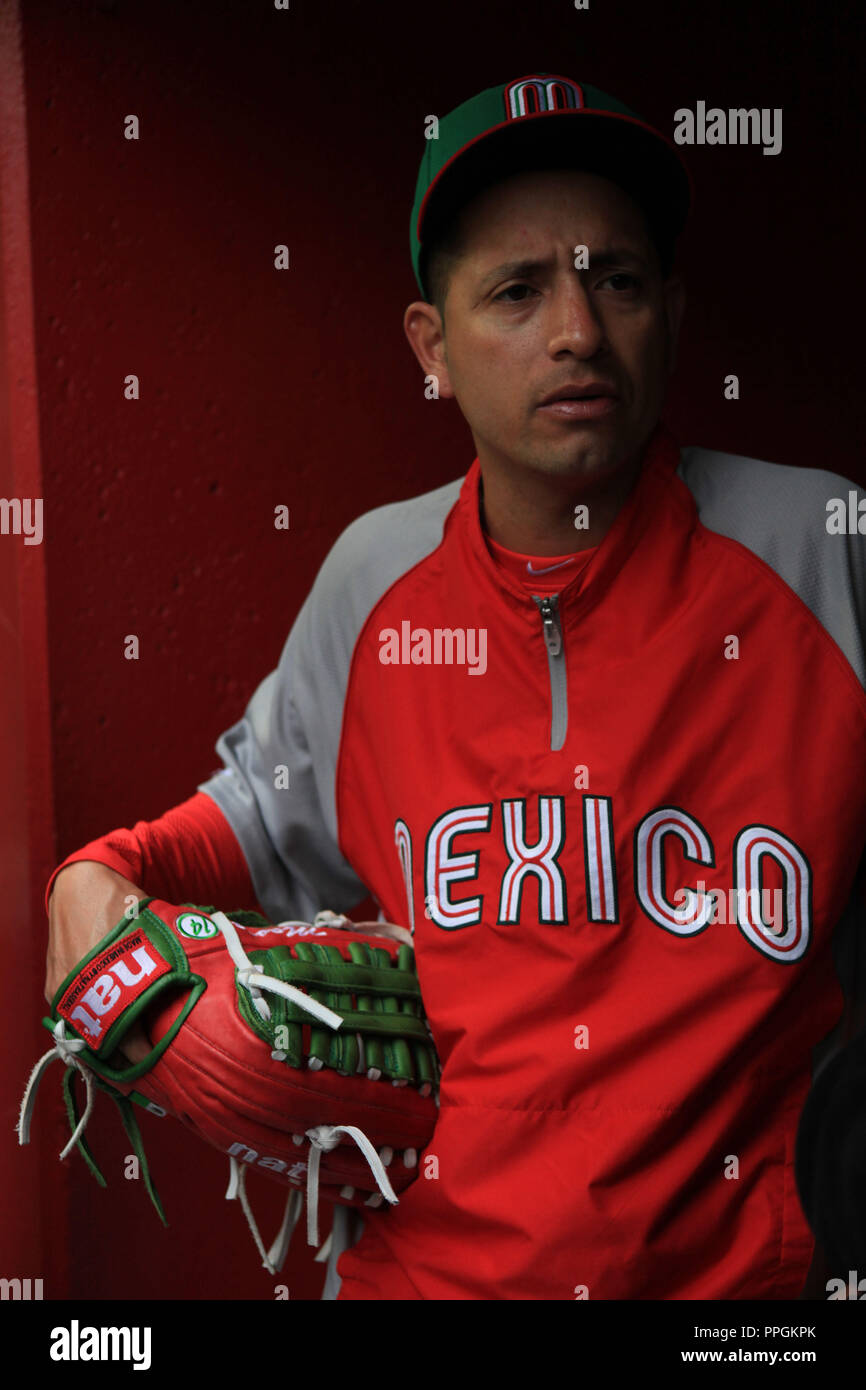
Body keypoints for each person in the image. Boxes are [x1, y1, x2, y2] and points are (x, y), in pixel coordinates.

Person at [45, 72, 866, 1300]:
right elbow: (195, 844)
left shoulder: (821, 548)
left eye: (617, 280)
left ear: (672, 314)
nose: (577, 328)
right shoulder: (374, 583)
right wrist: (87, 892)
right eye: (517, 291)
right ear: (431, 346)